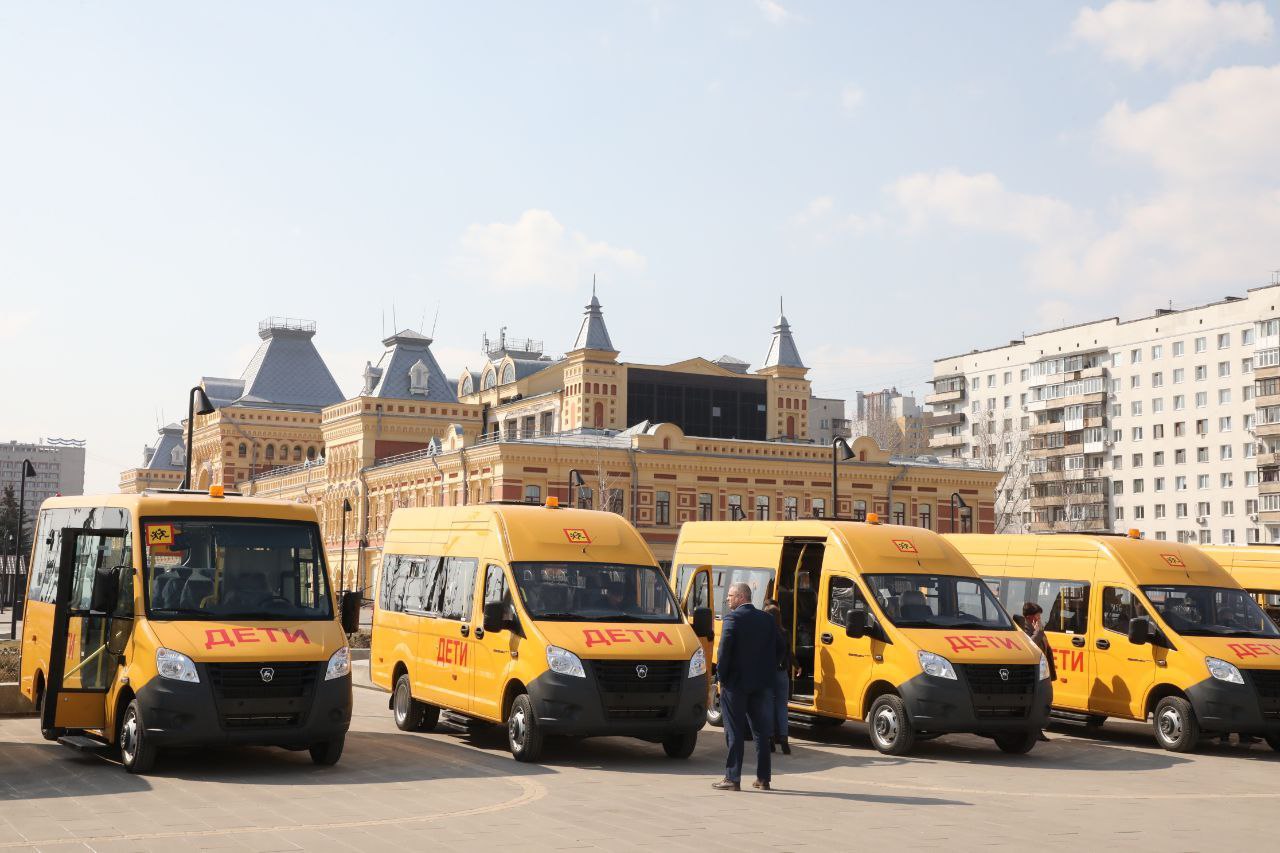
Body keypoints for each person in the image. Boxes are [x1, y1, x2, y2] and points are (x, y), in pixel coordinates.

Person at [713, 582, 784, 791]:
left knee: (734, 731)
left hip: (735, 685)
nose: (727, 599)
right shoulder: (767, 619)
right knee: (762, 732)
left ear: (741, 597)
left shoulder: (732, 619)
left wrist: (721, 678)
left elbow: (723, 652)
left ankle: (732, 778)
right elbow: (781, 647)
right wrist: (770, 668)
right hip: (762, 684)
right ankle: (763, 778)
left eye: (730, 595)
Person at [1022, 602, 1055, 742]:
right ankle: (1034, 731)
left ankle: (1038, 730)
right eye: (1037, 616)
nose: (1039, 618)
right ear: (1029, 617)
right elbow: (1029, 646)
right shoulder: (1024, 629)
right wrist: (1038, 632)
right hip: (1033, 672)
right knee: (1037, 701)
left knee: (1043, 700)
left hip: (1042, 670)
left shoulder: (1037, 627)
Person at [763, 601, 792, 755]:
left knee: (768, 706)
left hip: (768, 673)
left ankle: (770, 740)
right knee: (782, 706)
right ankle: (784, 739)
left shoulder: (764, 634)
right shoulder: (785, 633)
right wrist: (795, 665)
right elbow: (789, 653)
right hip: (782, 673)